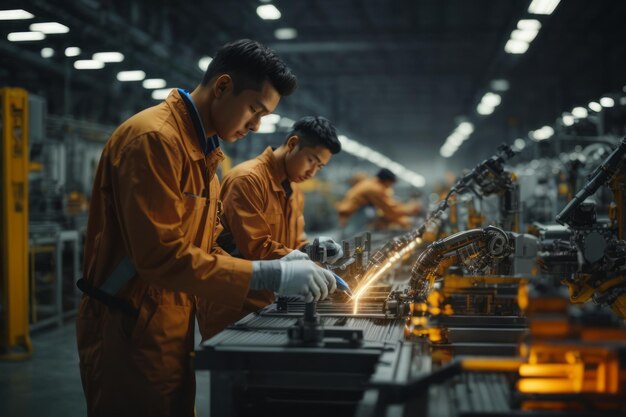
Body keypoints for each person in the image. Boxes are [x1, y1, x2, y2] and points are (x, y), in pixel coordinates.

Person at [75, 39, 336, 417]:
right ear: (223, 86)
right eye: (254, 110)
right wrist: (268, 274)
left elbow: (205, 245)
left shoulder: (204, 156)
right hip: (128, 325)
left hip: (170, 320)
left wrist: (291, 259)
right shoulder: (155, 141)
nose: (257, 125)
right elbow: (160, 257)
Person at [197, 116, 343, 339]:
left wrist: (311, 249)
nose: (313, 172)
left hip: (270, 301)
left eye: (320, 166)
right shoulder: (247, 180)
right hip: (233, 305)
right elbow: (255, 247)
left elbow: (292, 244)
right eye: (311, 160)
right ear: (293, 144)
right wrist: (302, 261)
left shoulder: (294, 190)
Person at [336, 168, 421, 237]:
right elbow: (389, 210)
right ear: (387, 181)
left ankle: (350, 253)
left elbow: (389, 207)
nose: (390, 186)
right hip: (353, 214)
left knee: (352, 238)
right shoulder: (375, 189)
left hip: (351, 213)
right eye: (391, 184)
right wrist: (408, 213)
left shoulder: (371, 183)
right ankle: (349, 255)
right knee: (353, 239)